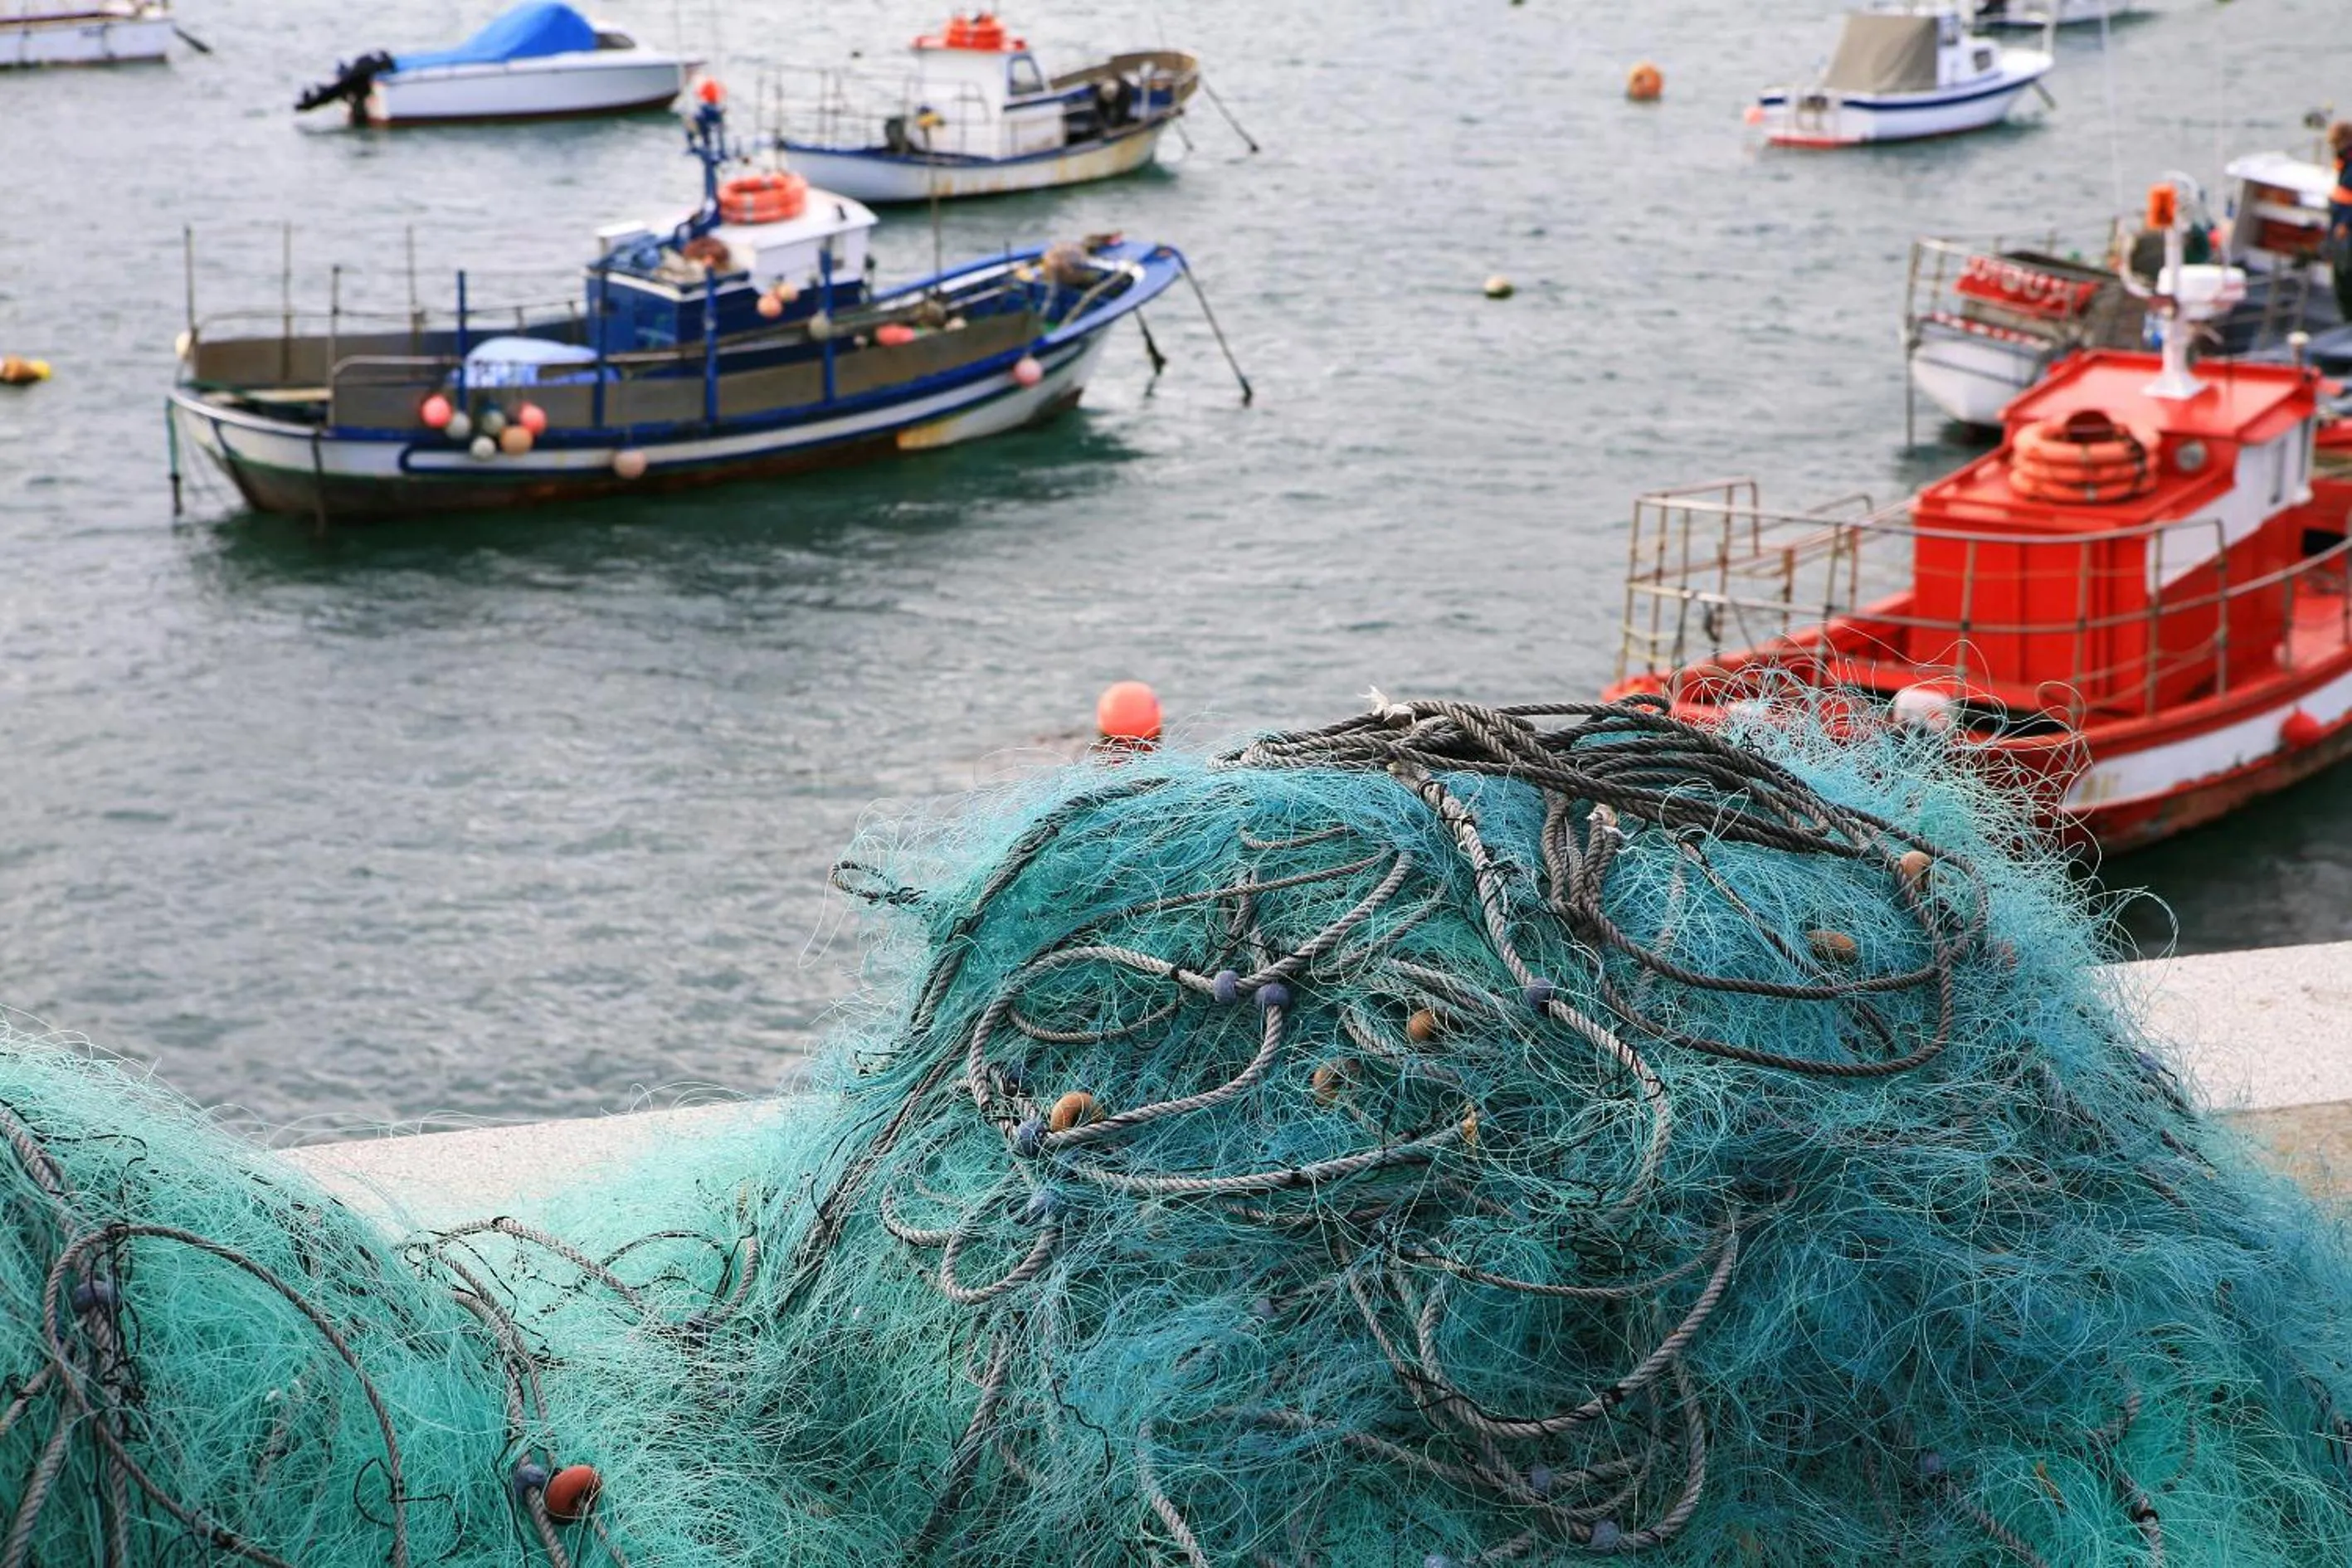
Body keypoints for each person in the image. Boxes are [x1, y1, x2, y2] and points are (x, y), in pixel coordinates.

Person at [2330, 122, 2352, 322]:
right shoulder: (2344, 162)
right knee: (2340, 273)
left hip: (2346, 227)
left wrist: (2345, 223)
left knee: (2346, 274)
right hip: (2340, 222)